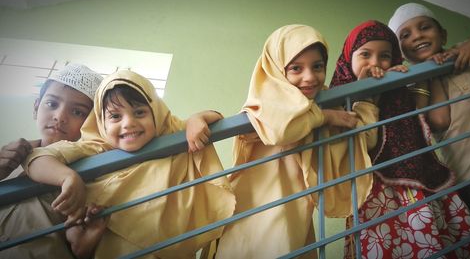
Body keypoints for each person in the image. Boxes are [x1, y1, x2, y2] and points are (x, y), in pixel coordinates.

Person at [22, 70, 236, 259]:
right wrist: (68, 177)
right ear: (101, 123)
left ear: (156, 112)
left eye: (139, 112)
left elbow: (215, 118)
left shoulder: (171, 133)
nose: (129, 123)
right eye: (115, 116)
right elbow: (37, 158)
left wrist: (196, 119)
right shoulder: (96, 146)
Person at [214, 24, 379, 259]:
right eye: (296, 68)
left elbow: (361, 141)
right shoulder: (263, 104)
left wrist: (365, 96)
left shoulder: (320, 103)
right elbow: (283, 130)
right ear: (277, 69)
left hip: (295, 212)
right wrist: (325, 117)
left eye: (318, 66)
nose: (310, 77)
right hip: (255, 209)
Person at [330, 20, 470, 259]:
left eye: (385, 55)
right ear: (347, 59)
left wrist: (412, 79)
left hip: (420, 183)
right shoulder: (337, 103)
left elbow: (426, 113)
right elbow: (362, 143)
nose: (375, 63)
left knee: (435, 240)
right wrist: (366, 93)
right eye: (365, 54)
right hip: (374, 194)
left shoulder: (397, 85)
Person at [389, 2, 470, 258]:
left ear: (443, 35)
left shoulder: (469, 56)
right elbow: (439, 121)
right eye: (405, 35)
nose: (417, 35)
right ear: (402, 53)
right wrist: (432, 71)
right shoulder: (418, 83)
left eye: (424, 27)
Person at [0, 63, 103, 259]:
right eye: (52, 104)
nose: (59, 117)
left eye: (78, 112)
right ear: (36, 107)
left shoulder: (95, 169)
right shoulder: (7, 158)